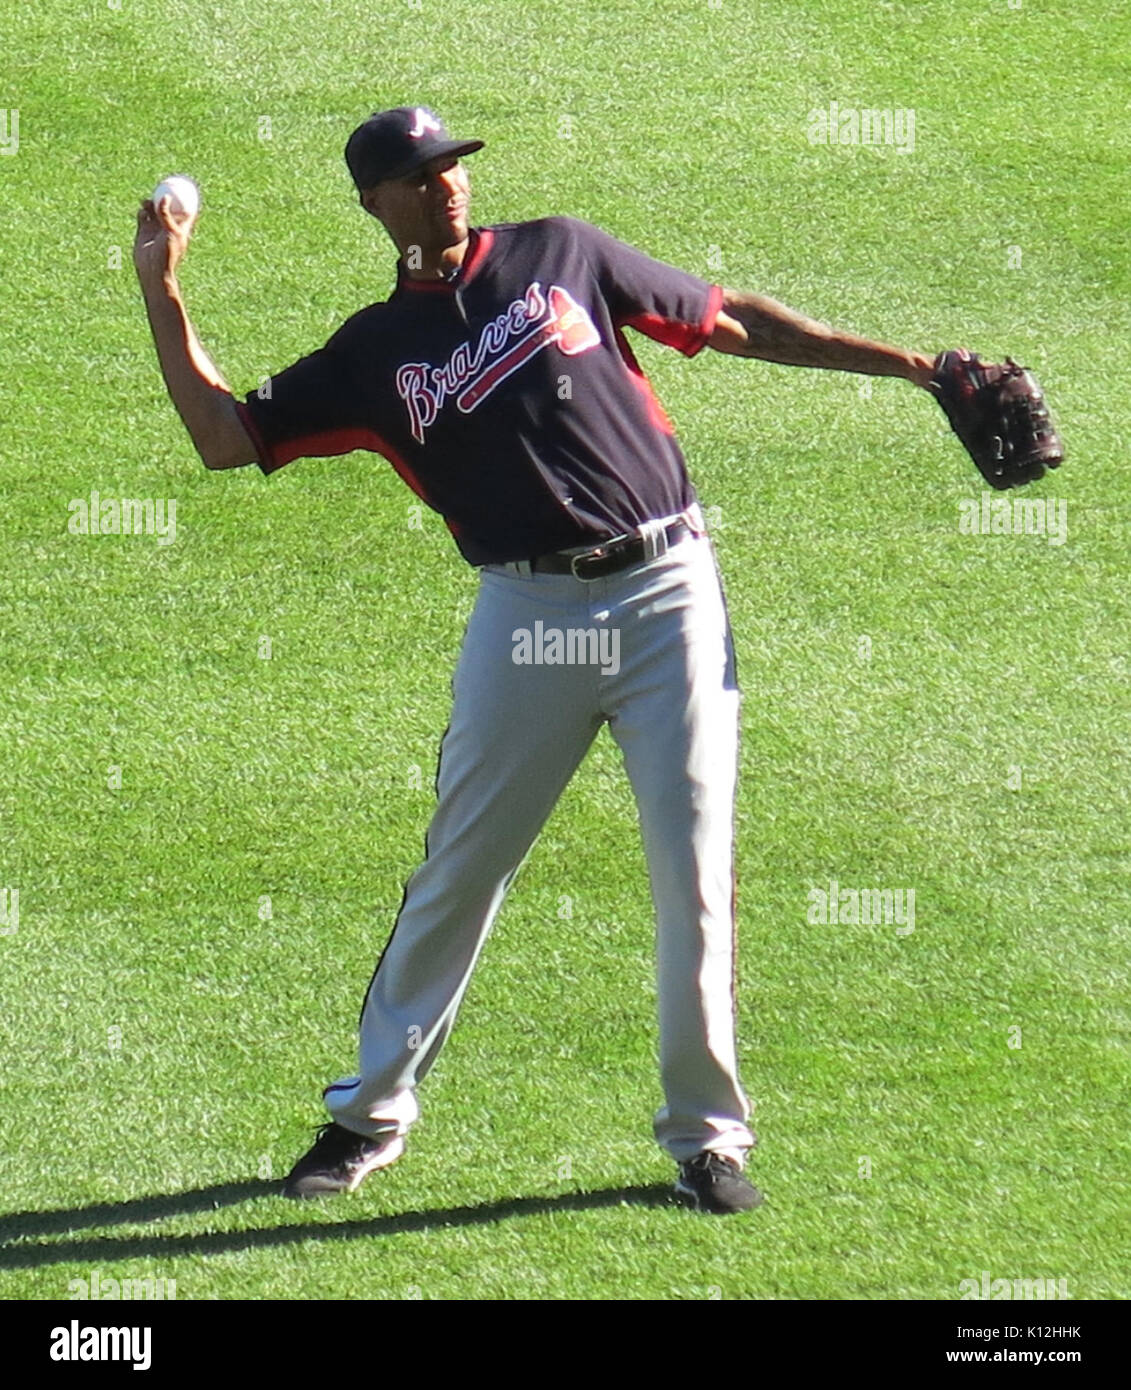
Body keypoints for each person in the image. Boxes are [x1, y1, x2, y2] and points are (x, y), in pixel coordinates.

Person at [134, 105, 936, 1215]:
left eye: (453, 165)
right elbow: (225, 437)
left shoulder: (563, 249)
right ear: (376, 204)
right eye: (419, 175)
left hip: (668, 592)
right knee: (462, 866)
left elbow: (728, 318)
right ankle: (369, 1116)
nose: (447, 185)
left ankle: (708, 1141)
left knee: (694, 868)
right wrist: (161, 289)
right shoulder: (373, 353)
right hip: (527, 614)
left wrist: (919, 368)